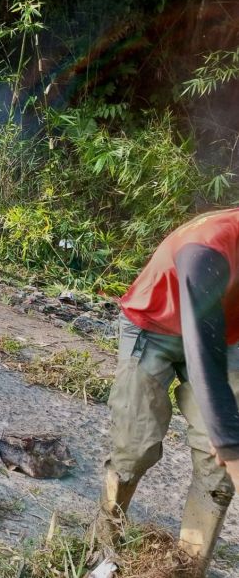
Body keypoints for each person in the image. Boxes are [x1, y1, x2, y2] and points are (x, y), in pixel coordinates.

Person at [95, 209, 239, 576]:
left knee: (216, 473)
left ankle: (186, 570)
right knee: (134, 445)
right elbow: (201, 352)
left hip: (226, 337)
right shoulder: (209, 245)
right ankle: (103, 551)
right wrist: (231, 446)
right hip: (154, 325)